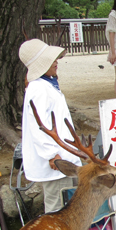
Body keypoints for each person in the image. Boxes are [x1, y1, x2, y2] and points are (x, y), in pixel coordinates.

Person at [18, 39, 82, 214]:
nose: (56, 62)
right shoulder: (38, 88)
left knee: (68, 205)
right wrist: (51, 155)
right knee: (57, 208)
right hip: (57, 161)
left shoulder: (47, 84)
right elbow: (38, 125)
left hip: (64, 156)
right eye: (51, 59)